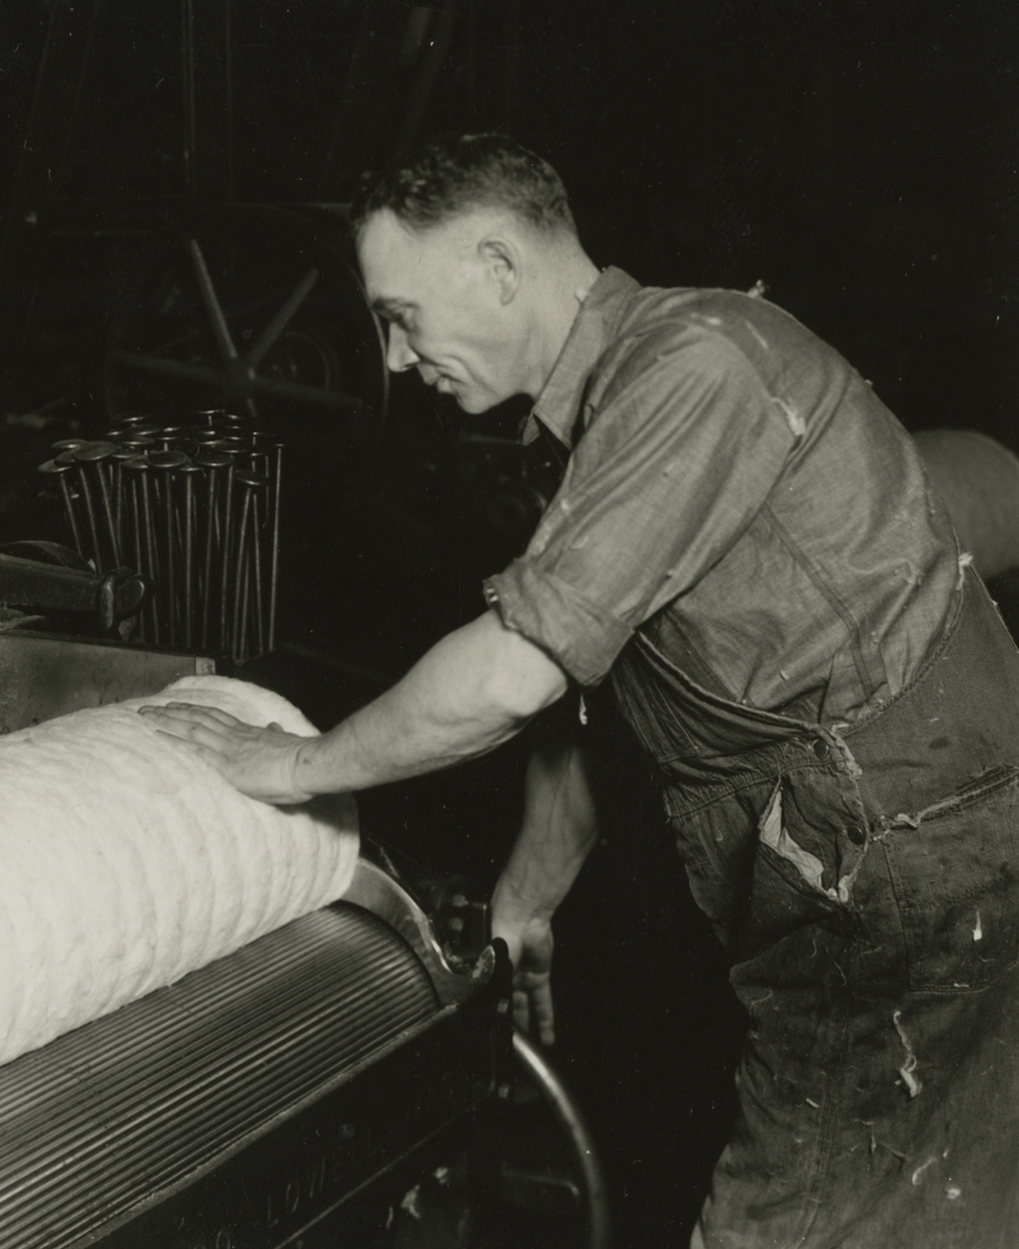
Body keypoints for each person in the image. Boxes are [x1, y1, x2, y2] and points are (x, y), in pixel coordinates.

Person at [141, 133, 1019, 1246]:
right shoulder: (621, 405)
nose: (398, 361)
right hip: (908, 865)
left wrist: (286, 763)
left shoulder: (691, 371)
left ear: (499, 268)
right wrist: (527, 899)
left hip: (898, 888)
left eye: (400, 315)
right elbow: (609, 703)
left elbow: (514, 673)